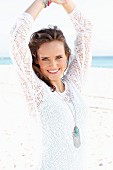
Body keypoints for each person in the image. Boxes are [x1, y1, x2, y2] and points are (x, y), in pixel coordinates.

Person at [10, 0, 92, 169]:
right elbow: (17, 38)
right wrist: (42, 2)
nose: (53, 65)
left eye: (58, 57)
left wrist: (65, 3)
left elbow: (86, 30)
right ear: (37, 62)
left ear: (67, 56)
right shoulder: (37, 91)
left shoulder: (74, 84)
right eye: (45, 59)